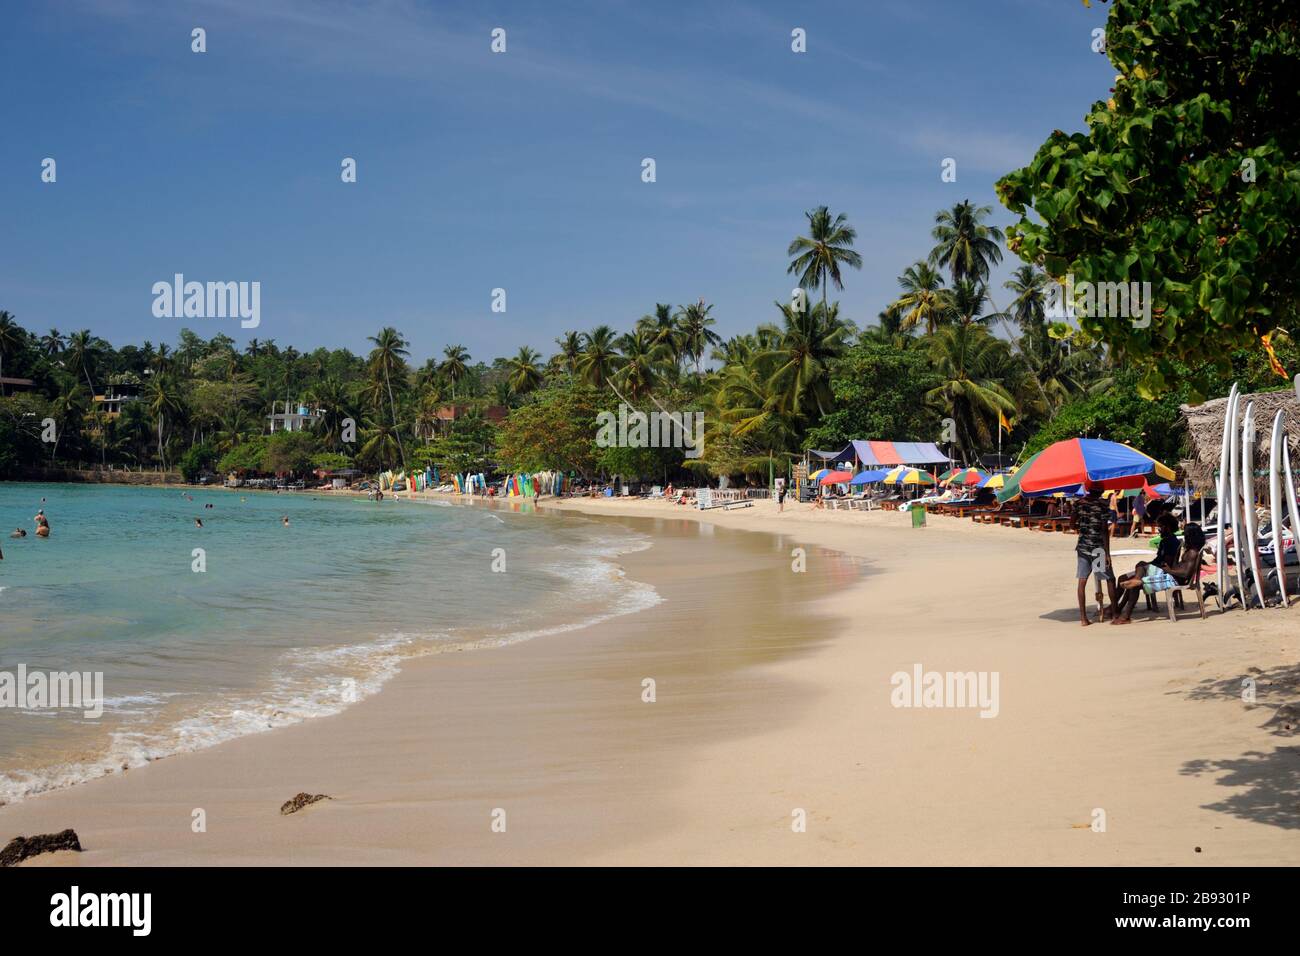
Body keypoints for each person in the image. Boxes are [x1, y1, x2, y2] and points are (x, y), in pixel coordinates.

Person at [1113, 524, 1207, 624]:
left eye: (1186, 534)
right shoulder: (1190, 550)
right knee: (1141, 566)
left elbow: (1185, 574)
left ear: (1191, 535)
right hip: (1172, 576)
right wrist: (1174, 559)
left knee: (1136, 582)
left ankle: (1125, 616)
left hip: (1173, 579)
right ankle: (1135, 585)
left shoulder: (1192, 552)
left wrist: (1169, 571)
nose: (1185, 536)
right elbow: (1179, 566)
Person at [1075, 486, 1116, 626]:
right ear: (1100, 491)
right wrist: (1108, 553)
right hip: (1098, 549)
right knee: (1110, 579)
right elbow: (1104, 530)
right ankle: (1116, 615)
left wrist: (1083, 528)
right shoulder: (1102, 505)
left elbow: (1071, 523)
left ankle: (1083, 618)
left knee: (1082, 581)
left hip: (1082, 547)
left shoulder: (1079, 503)